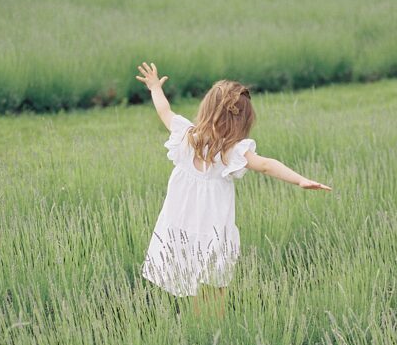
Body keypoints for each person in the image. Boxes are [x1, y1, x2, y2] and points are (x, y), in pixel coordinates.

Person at [136, 63, 330, 302]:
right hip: (214, 229)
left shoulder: (186, 138)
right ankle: (212, 328)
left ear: (206, 109)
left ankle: (200, 328)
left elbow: (164, 111)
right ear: (242, 122)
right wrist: (300, 180)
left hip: (180, 223)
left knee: (189, 273)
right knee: (213, 287)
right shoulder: (232, 152)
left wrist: (155, 87)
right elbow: (267, 165)